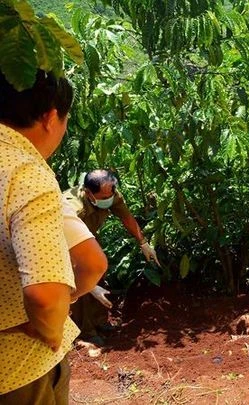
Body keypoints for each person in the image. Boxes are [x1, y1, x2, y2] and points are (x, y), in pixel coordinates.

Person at [0, 70, 101, 402]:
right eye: (66, 118)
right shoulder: (25, 172)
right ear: (50, 116)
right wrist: (48, 327)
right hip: (15, 371)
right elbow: (47, 295)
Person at [63, 169, 159, 345]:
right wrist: (90, 286)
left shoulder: (111, 193)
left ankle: (100, 321)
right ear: (88, 193)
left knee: (99, 272)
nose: (109, 198)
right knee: (82, 283)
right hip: (66, 242)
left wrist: (143, 243)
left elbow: (126, 217)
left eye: (111, 193)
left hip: (88, 236)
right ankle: (85, 332)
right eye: (103, 196)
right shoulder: (72, 208)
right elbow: (64, 246)